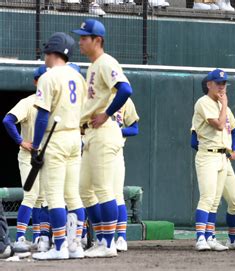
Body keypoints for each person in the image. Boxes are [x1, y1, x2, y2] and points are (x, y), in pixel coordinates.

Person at [72, 19, 133, 258]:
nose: (80, 42)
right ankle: (101, 239)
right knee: (85, 189)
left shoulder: (106, 62)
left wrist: (106, 114)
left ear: (98, 40)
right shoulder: (94, 65)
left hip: (104, 132)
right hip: (90, 133)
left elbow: (126, 89)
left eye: (84, 38)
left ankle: (108, 243)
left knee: (104, 190)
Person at [30, 32, 88, 260]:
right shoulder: (78, 76)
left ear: (51, 51)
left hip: (54, 138)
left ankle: (60, 246)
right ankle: (75, 246)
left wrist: (35, 146)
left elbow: (43, 116)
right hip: (75, 136)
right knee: (73, 194)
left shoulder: (48, 76)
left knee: (54, 195)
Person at [190, 76, 235, 250]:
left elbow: (233, 129)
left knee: (215, 201)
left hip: (223, 157)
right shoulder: (203, 102)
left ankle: (210, 237)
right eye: (218, 83)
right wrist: (225, 105)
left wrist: (233, 149)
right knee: (207, 198)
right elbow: (220, 125)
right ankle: (200, 239)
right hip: (207, 155)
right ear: (209, 85)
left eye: (224, 83)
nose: (222, 87)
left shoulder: (222, 105)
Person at [2, 65, 50, 253]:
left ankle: (38, 238)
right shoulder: (28, 102)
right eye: (42, 79)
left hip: (47, 156)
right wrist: (21, 141)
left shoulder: (53, 102)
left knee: (42, 198)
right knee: (31, 195)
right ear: (36, 81)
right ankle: (20, 236)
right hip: (29, 157)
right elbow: (8, 120)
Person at [113, 98, 140, 252]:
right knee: (89, 196)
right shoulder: (93, 93)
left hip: (116, 151)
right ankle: (87, 236)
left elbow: (134, 128)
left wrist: (117, 130)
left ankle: (122, 237)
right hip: (93, 150)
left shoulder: (125, 99)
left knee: (117, 195)